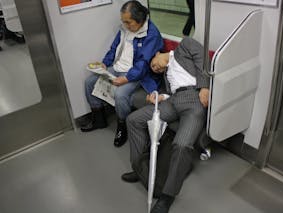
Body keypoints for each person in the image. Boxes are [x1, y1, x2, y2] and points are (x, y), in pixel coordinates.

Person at [121, 37, 210, 213]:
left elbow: (202, 57)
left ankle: (167, 197)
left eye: (154, 64)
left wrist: (204, 86)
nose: (156, 68)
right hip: (173, 102)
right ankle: (140, 169)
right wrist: (161, 97)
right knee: (133, 119)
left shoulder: (184, 46)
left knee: (182, 145)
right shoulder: (167, 76)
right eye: (154, 69)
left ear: (157, 54)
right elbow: (173, 91)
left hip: (193, 100)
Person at [81, 1, 164, 148]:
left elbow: (144, 64)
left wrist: (126, 78)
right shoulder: (124, 29)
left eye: (128, 22)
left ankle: (122, 125)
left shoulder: (152, 34)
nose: (126, 25)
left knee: (120, 94)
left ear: (140, 19)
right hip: (118, 67)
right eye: (123, 22)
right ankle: (99, 119)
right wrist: (105, 64)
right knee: (89, 82)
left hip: (137, 74)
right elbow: (113, 49)